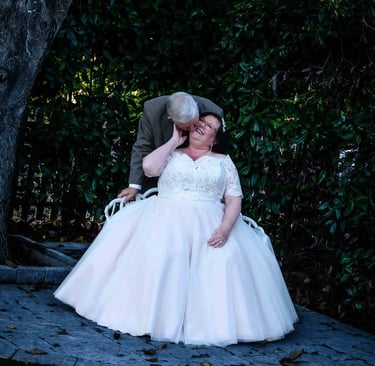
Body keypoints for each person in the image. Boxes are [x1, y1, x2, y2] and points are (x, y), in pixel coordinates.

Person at [54, 113, 298, 347]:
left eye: (209, 126)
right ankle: (147, 318)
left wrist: (224, 229)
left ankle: (225, 325)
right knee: (159, 252)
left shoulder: (224, 162)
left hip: (210, 220)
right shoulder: (172, 153)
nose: (202, 126)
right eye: (200, 122)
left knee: (226, 259)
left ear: (215, 139)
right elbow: (149, 168)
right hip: (163, 216)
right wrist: (173, 140)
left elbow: (234, 199)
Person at [118, 91, 223, 203]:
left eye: (196, 121)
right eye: (187, 127)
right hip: (162, 183)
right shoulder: (153, 112)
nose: (193, 128)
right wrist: (134, 185)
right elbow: (142, 147)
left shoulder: (213, 113)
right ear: (170, 118)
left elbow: (218, 156)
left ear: (196, 107)